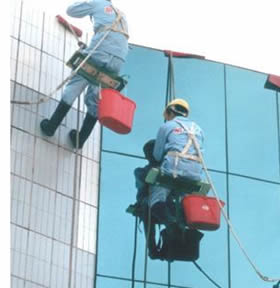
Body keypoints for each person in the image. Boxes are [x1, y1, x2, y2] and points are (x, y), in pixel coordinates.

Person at [40, 0, 129, 149]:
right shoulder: (121, 15)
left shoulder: (97, 2)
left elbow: (71, 11)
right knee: (95, 97)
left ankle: (51, 126)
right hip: (118, 60)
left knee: (76, 83)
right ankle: (80, 140)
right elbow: (113, 40)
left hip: (101, 51)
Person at [150, 98, 204, 226]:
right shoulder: (199, 130)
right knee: (184, 201)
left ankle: (170, 223)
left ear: (170, 112)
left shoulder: (167, 126)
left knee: (156, 197)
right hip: (194, 174)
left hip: (173, 170)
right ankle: (183, 225)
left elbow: (157, 155)